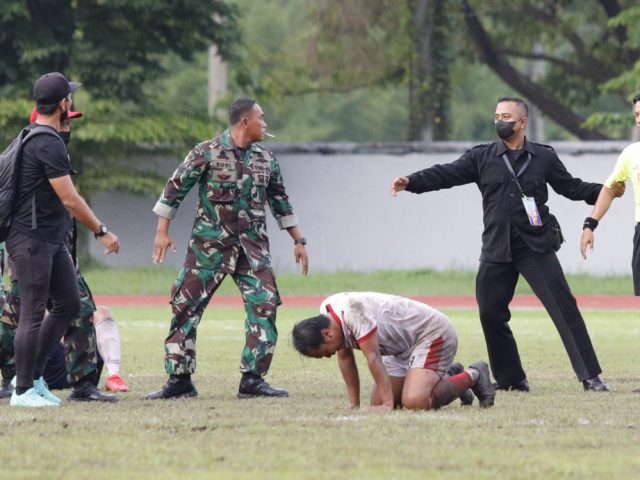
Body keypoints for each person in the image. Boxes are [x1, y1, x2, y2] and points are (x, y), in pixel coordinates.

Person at [391, 96, 624, 393]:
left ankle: (591, 377)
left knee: (565, 309)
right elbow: (446, 173)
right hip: (496, 248)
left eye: (506, 117)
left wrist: (606, 191)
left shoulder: (544, 157)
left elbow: (571, 187)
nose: (500, 121)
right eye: (497, 116)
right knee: (490, 312)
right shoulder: (482, 156)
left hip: (535, 247)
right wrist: (411, 181)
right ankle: (512, 378)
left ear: (523, 123)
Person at [146, 97, 308, 400]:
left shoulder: (266, 158)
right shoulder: (206, 152)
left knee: (265, 305)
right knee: (185, 307)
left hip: (253, 250)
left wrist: (298, 240)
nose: (265, 123)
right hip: (209, 248)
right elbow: (174, 188)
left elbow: (281, 201)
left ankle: (253, 380)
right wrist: (161, 233)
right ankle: (179, 380)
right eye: (261, 117)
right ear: (244, 121)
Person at [6, 72, 119, 407]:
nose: (71, 100)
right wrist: (102, 231)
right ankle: (22, 389)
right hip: (31, 238)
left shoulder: (37, 136)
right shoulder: (45, 141)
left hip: (49, 239)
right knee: (32, 310)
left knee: (68, 303)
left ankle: (33, 377)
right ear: (63, 103)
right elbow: (69, 199)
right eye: (69, 96)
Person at [292, 292, 495, 410]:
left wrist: (388, 405)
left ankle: (474, 374)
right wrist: (354, 406)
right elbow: (346, 360)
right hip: (400, 347)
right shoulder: (326, 313)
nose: (328, 355)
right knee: (377, 403)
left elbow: (373, 358)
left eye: (324, 352)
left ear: (326, 333)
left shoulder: (353, 313)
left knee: (414, 402)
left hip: (430, 333)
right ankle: (448, 375)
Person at [580, 93, 640, 393]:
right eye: (637, 115)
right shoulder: (631, 154)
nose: (639, 120)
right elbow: (610, 188)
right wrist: (590, 224)